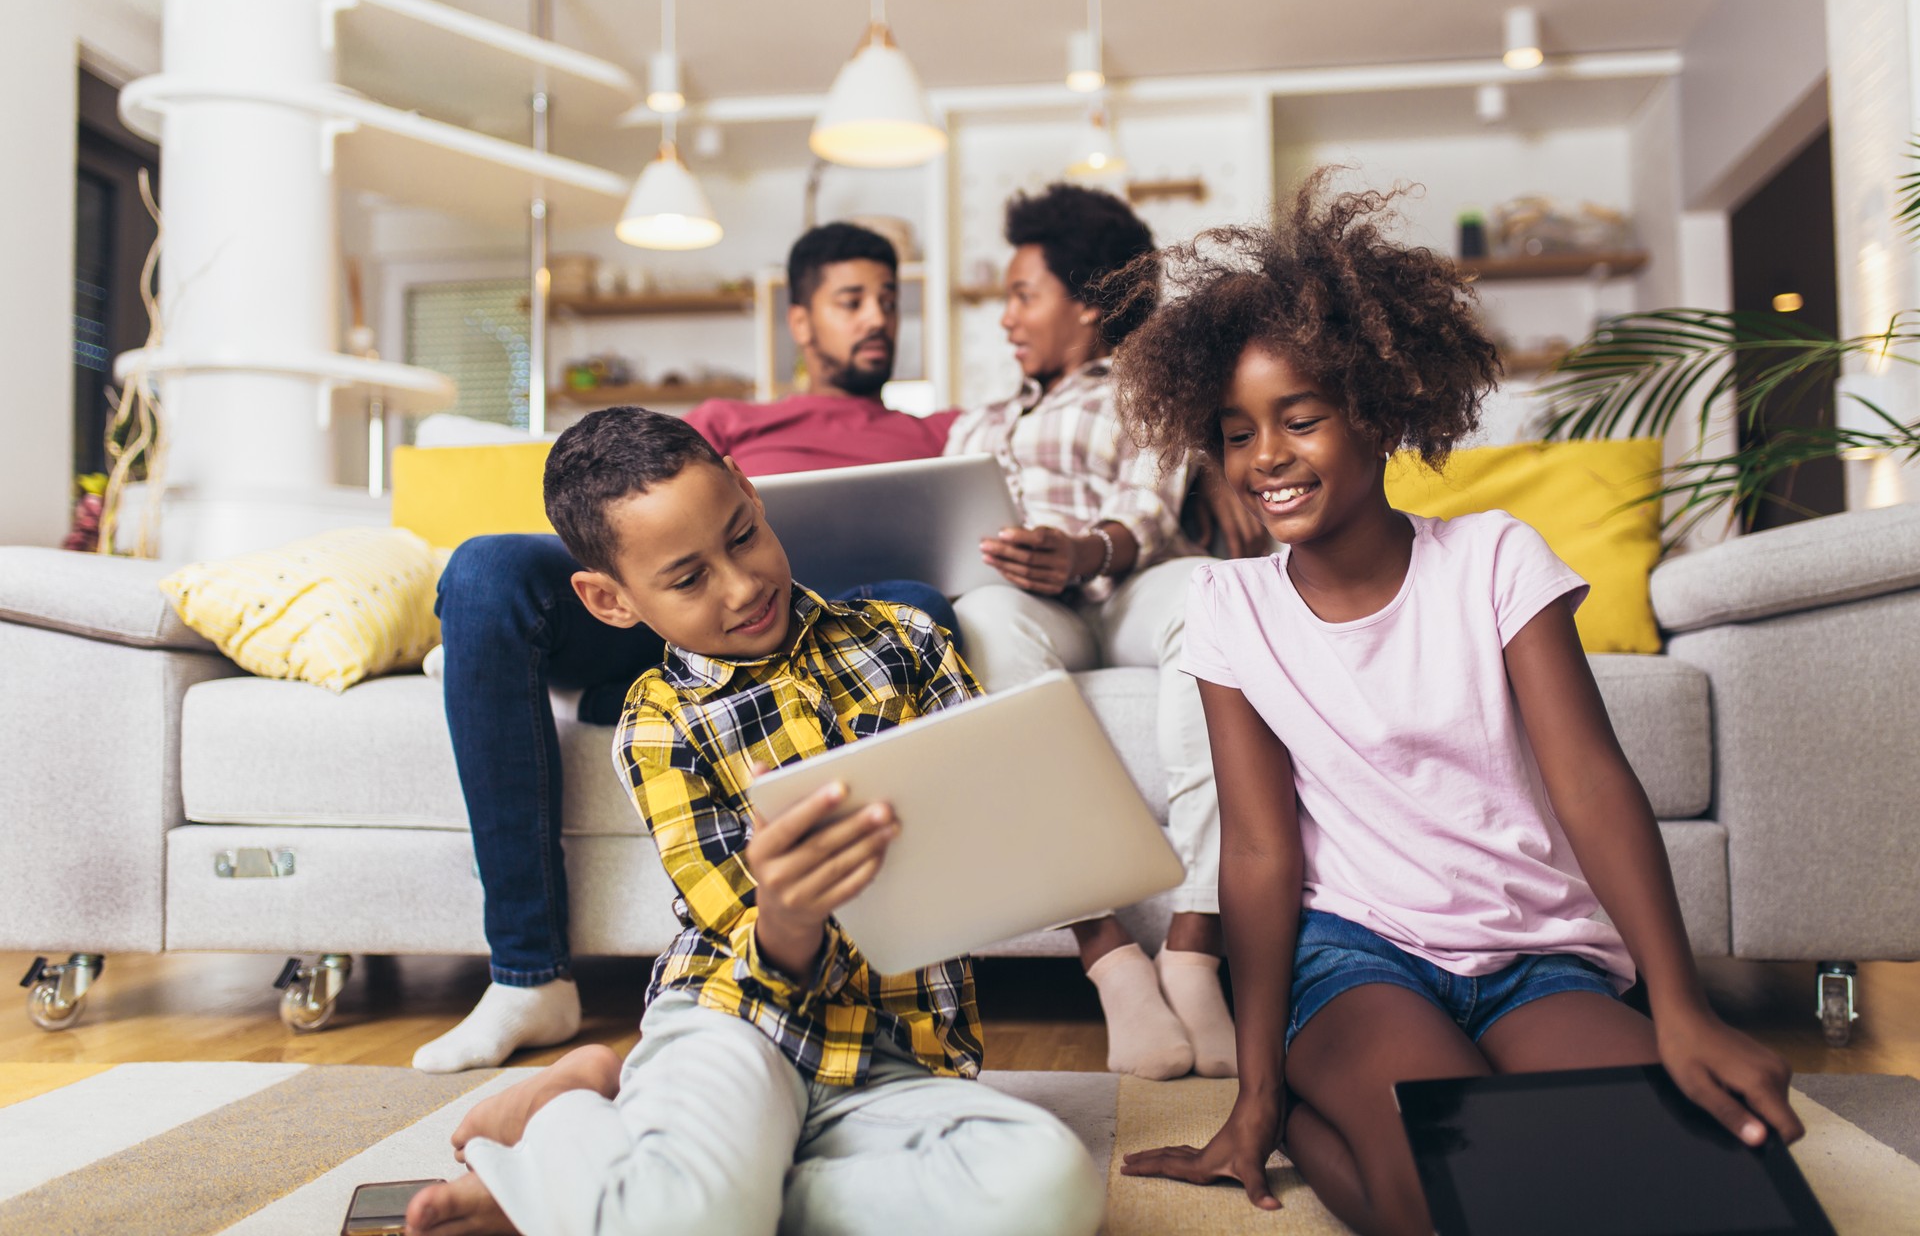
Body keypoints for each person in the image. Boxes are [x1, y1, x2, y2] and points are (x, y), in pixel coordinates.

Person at [1110, 177, 1802, 1234]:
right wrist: (1251, 1092)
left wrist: (1680, 1004)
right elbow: (1255, 851)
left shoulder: (1492, 557)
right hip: (1355, 956)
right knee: (1457, 1191)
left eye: (1300, 419)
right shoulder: (1227, 603)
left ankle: (1316, 1113)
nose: (1267, 459)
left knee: (1680, 1176)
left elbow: (1590, 777)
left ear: (1378, 412)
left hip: (1541, 952)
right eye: (1239, 431)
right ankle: (1295, 1102)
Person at [404, 407, 1105, 1236]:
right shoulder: (656, 723)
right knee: (691, 1217)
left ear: (750, 493)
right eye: (689, 578)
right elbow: (743, 938)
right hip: (733, 1023)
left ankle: (656, 1182)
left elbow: (1005, 815)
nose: (741, 587)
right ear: (609, 599)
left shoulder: (907, 640)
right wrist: (789, 914)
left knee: (1049, 1186)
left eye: (741, 537)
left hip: (891, 1061)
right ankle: (581, 1119)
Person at [415, 223, 963, 1074]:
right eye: (851, 300)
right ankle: (529, 975)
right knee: (485, 569)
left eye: (889, 301)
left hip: (828, 619)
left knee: (921, 606)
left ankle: (617, 696)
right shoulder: (721, 422)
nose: (876, 319)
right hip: (663, 616)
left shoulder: (933, 433)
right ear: (801, 320)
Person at [945, 183, 1251, 1082]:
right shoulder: (981, 421)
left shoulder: (1143, 393)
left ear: (1086, 303)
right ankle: (1111, 958)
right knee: (984, 619)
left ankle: (1195, 948)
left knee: (1215, 592)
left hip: (1126, 586)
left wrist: (1082, 551)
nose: (1005, 317)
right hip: (1029, 603)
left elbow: (1149, 515)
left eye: (1022, 293)